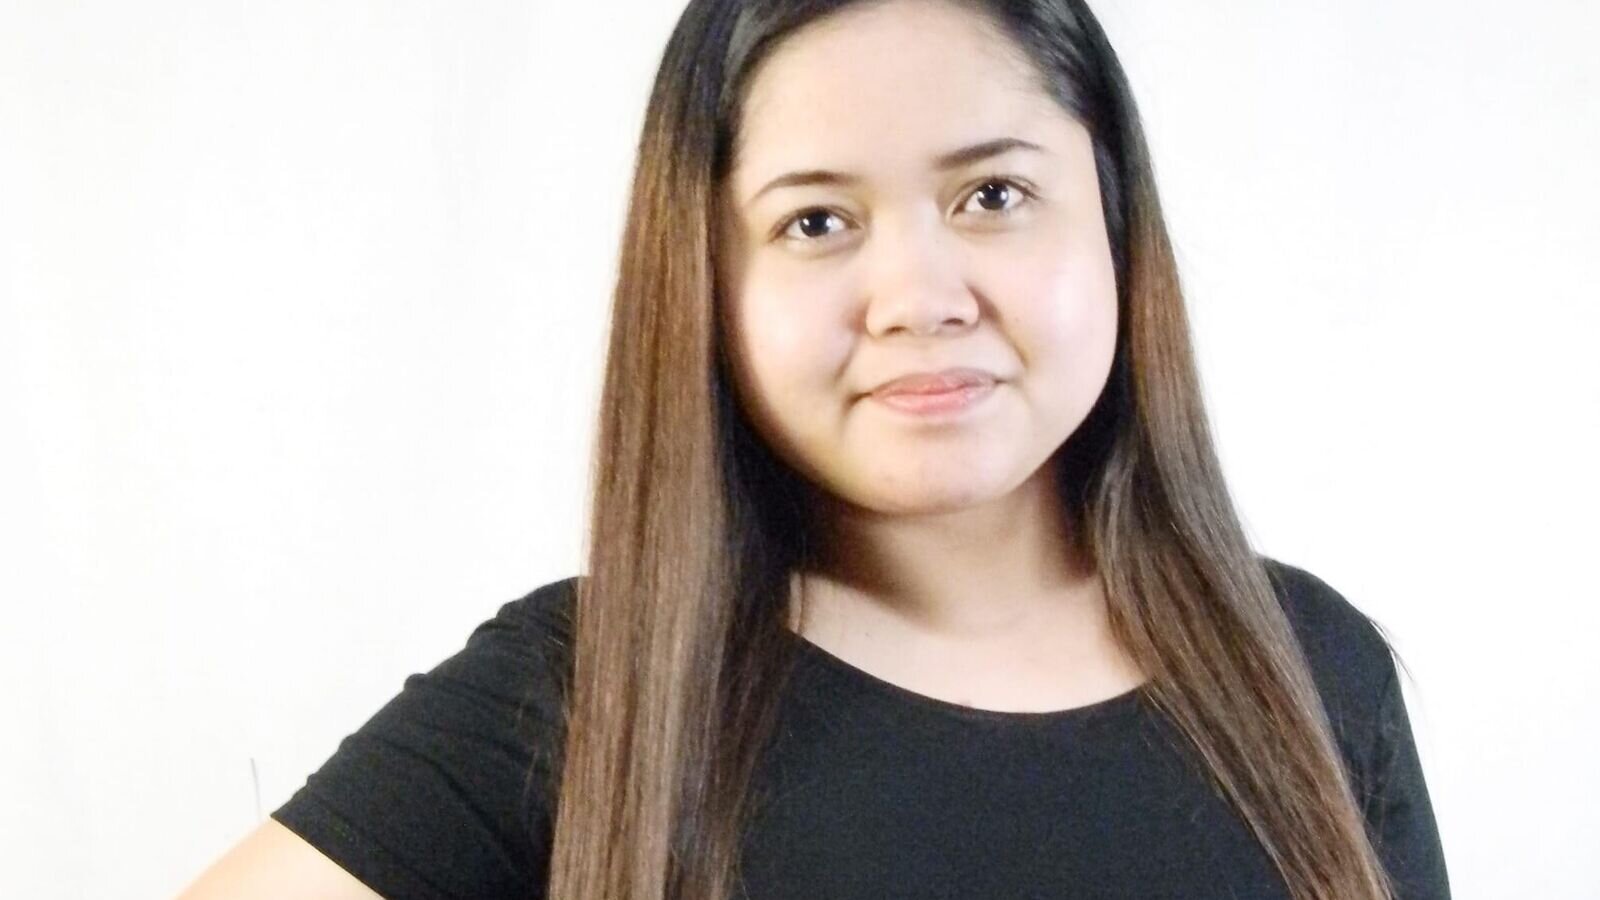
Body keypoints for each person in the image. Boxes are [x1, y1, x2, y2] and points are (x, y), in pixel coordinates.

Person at [177, 0, 1451, 898]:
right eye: (816, 222)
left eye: (992, 196)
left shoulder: (1308, 664)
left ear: (1114, 222)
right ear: (706, 283)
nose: (918, 297)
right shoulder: (592, 688)